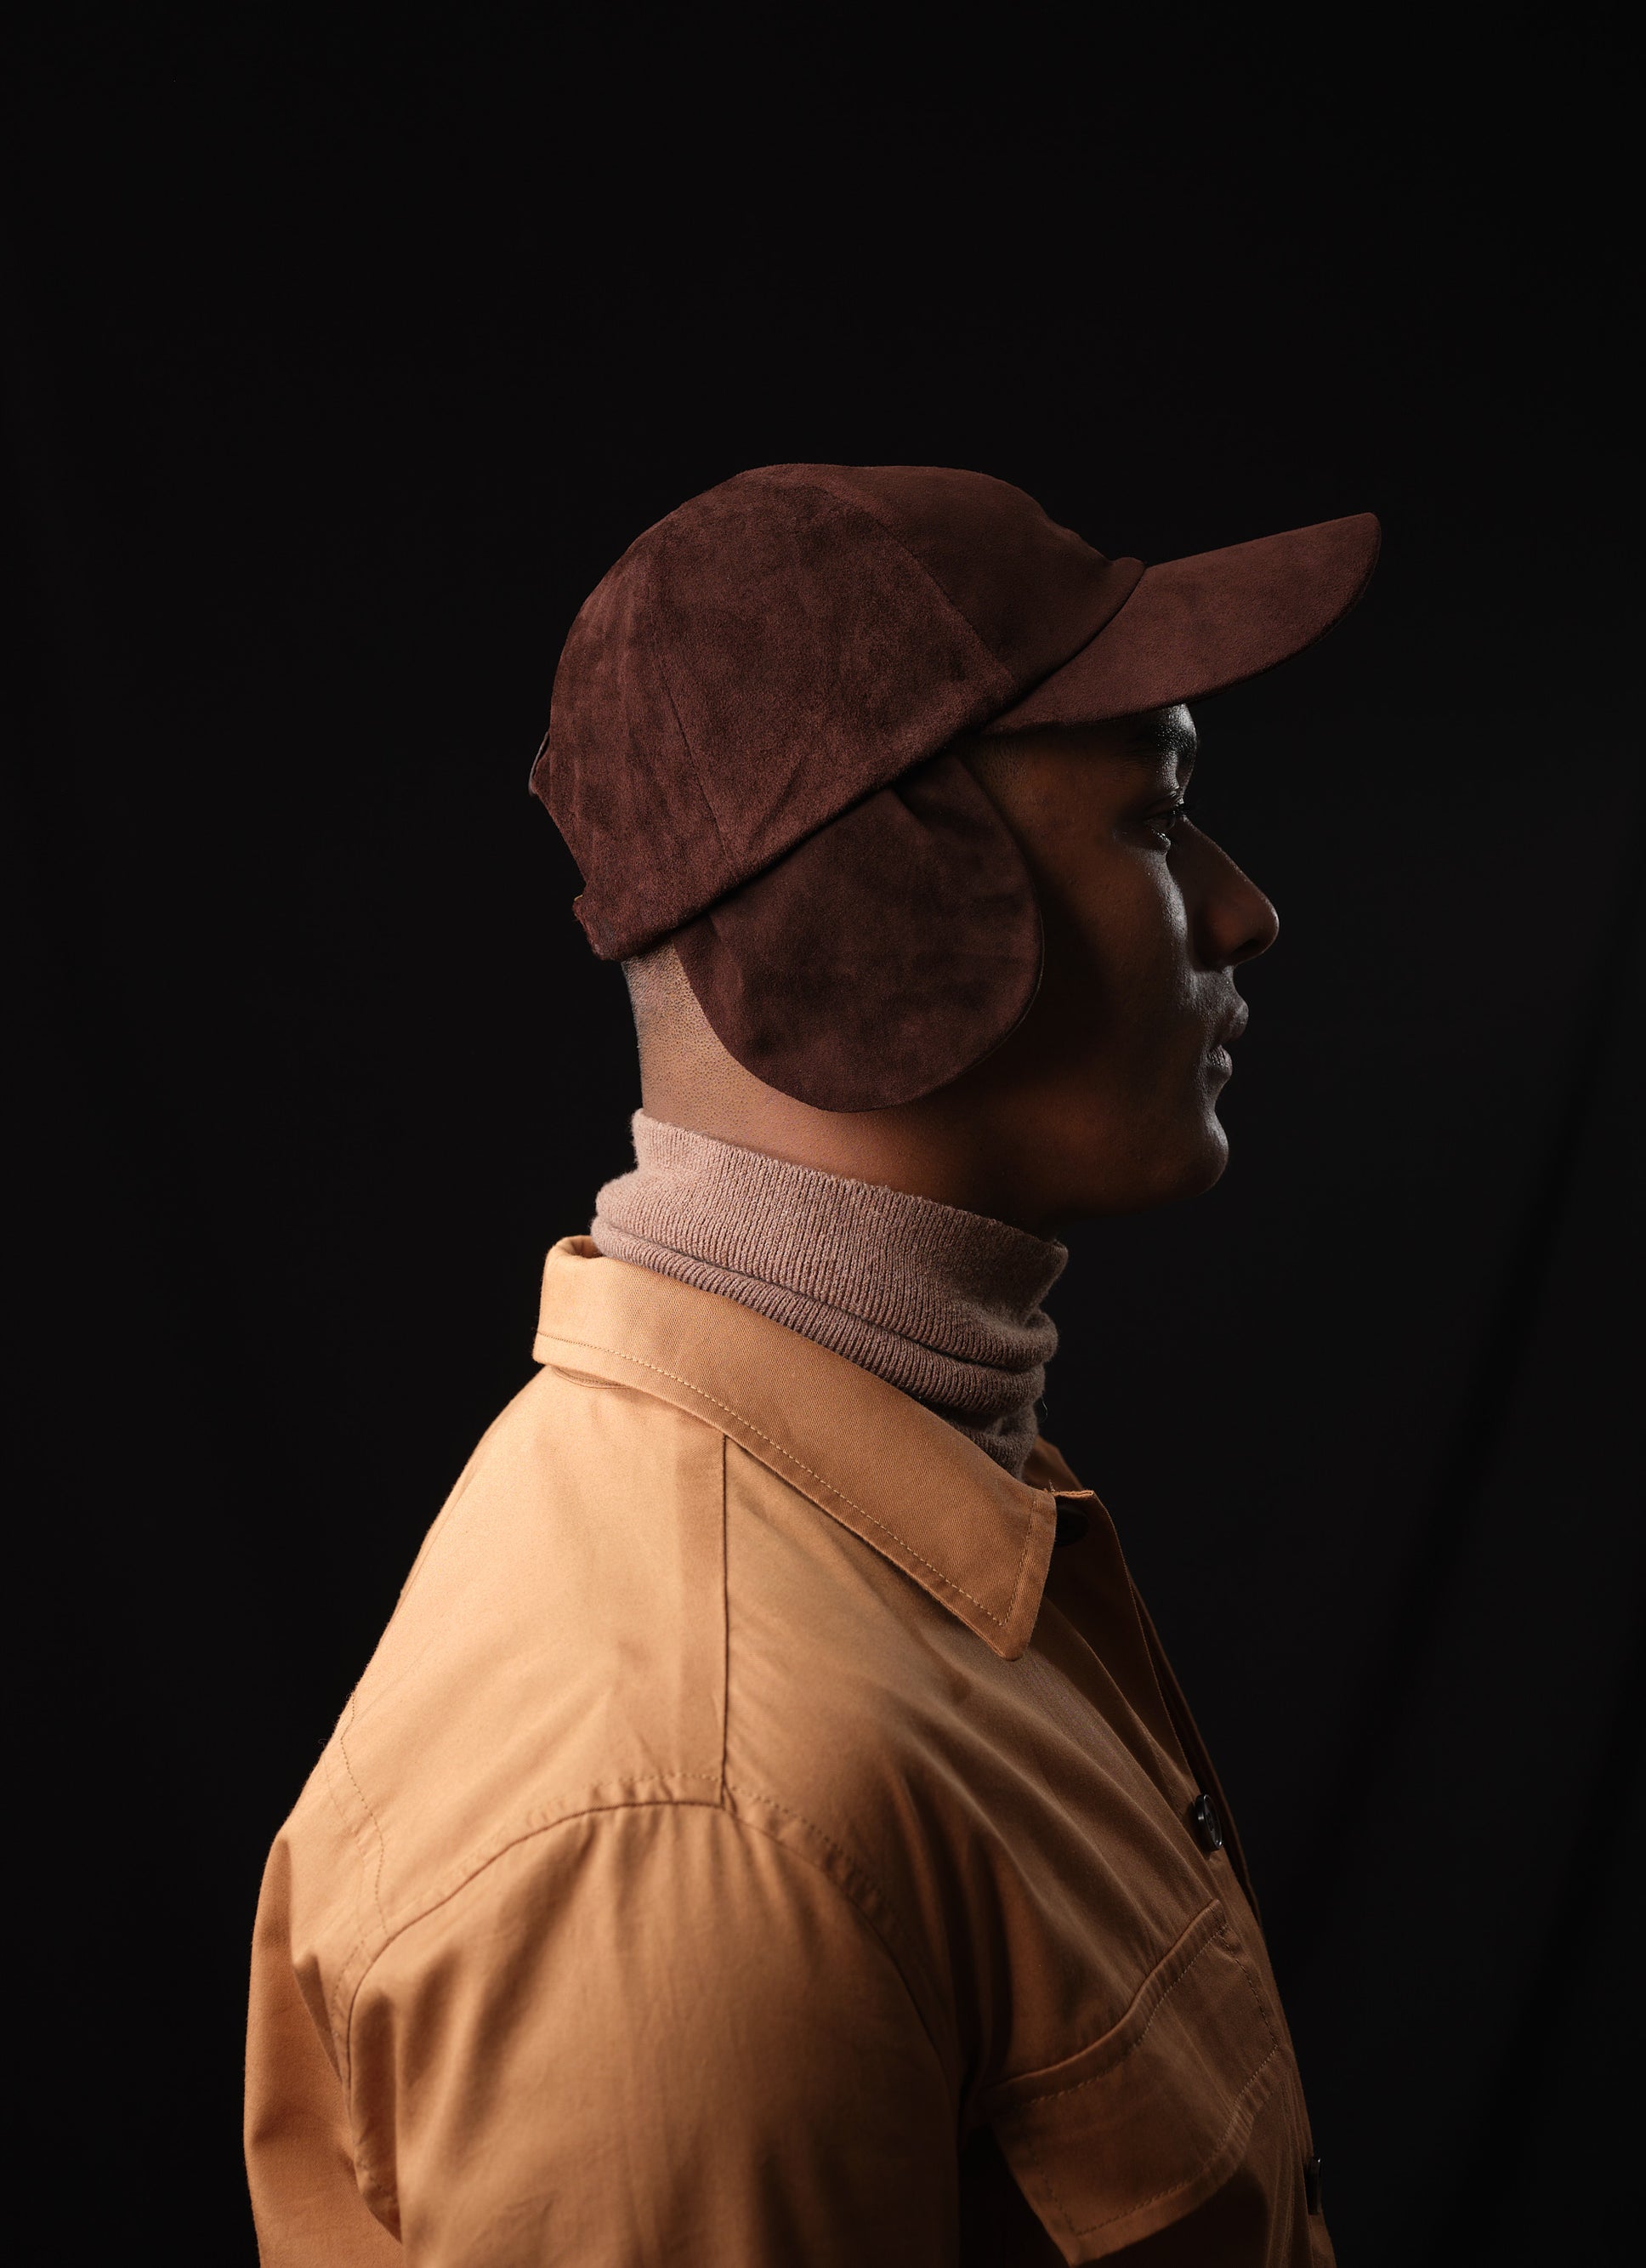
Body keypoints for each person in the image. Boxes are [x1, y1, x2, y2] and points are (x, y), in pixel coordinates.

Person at [244, 464, 1378, 2265]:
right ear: (884, 926)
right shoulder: (692, 1810)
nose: (1242, 912)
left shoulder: (915, 1516)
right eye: (1157, 821)